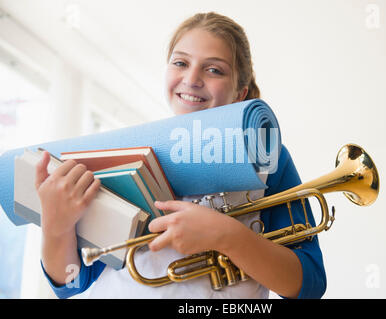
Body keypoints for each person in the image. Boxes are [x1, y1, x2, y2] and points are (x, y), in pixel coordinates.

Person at [35, 12, 326, 299]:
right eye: (180, 62)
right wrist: (55, 228)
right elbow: (73, 283)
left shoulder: (266, 156)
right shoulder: (125, 153)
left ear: (240, 93)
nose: (192, 78)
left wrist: (227, 235)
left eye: (214, 70)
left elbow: (309, 285)